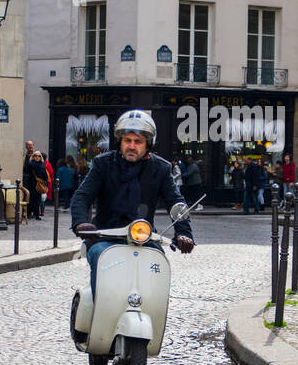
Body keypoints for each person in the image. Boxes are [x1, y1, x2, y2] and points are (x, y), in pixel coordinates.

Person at [71, 110, 194, 297]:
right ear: (119, 142)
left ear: (148, 144)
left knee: (157, 268)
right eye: (127, 140)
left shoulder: (161, 168)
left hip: (144, 238)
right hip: (104, 237)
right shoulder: (103, 164)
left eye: (138, 142)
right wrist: (81, 223)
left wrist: (183, 233)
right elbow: (82, 196)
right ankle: (99, 315)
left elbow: (175, 201)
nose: (132, 146)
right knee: (101, 261)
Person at [24, 150, 48, 220]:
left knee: (38, 200)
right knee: (31, 199)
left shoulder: (42, 164)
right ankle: (29, 213)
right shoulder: (30, 164)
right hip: (31, 184)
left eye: (39, 156)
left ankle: (36, 214)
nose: (37, 157)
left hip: (39, 184)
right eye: (35, 156)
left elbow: (45, 174)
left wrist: (45, 182)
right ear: (33, 157)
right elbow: (26, 171)